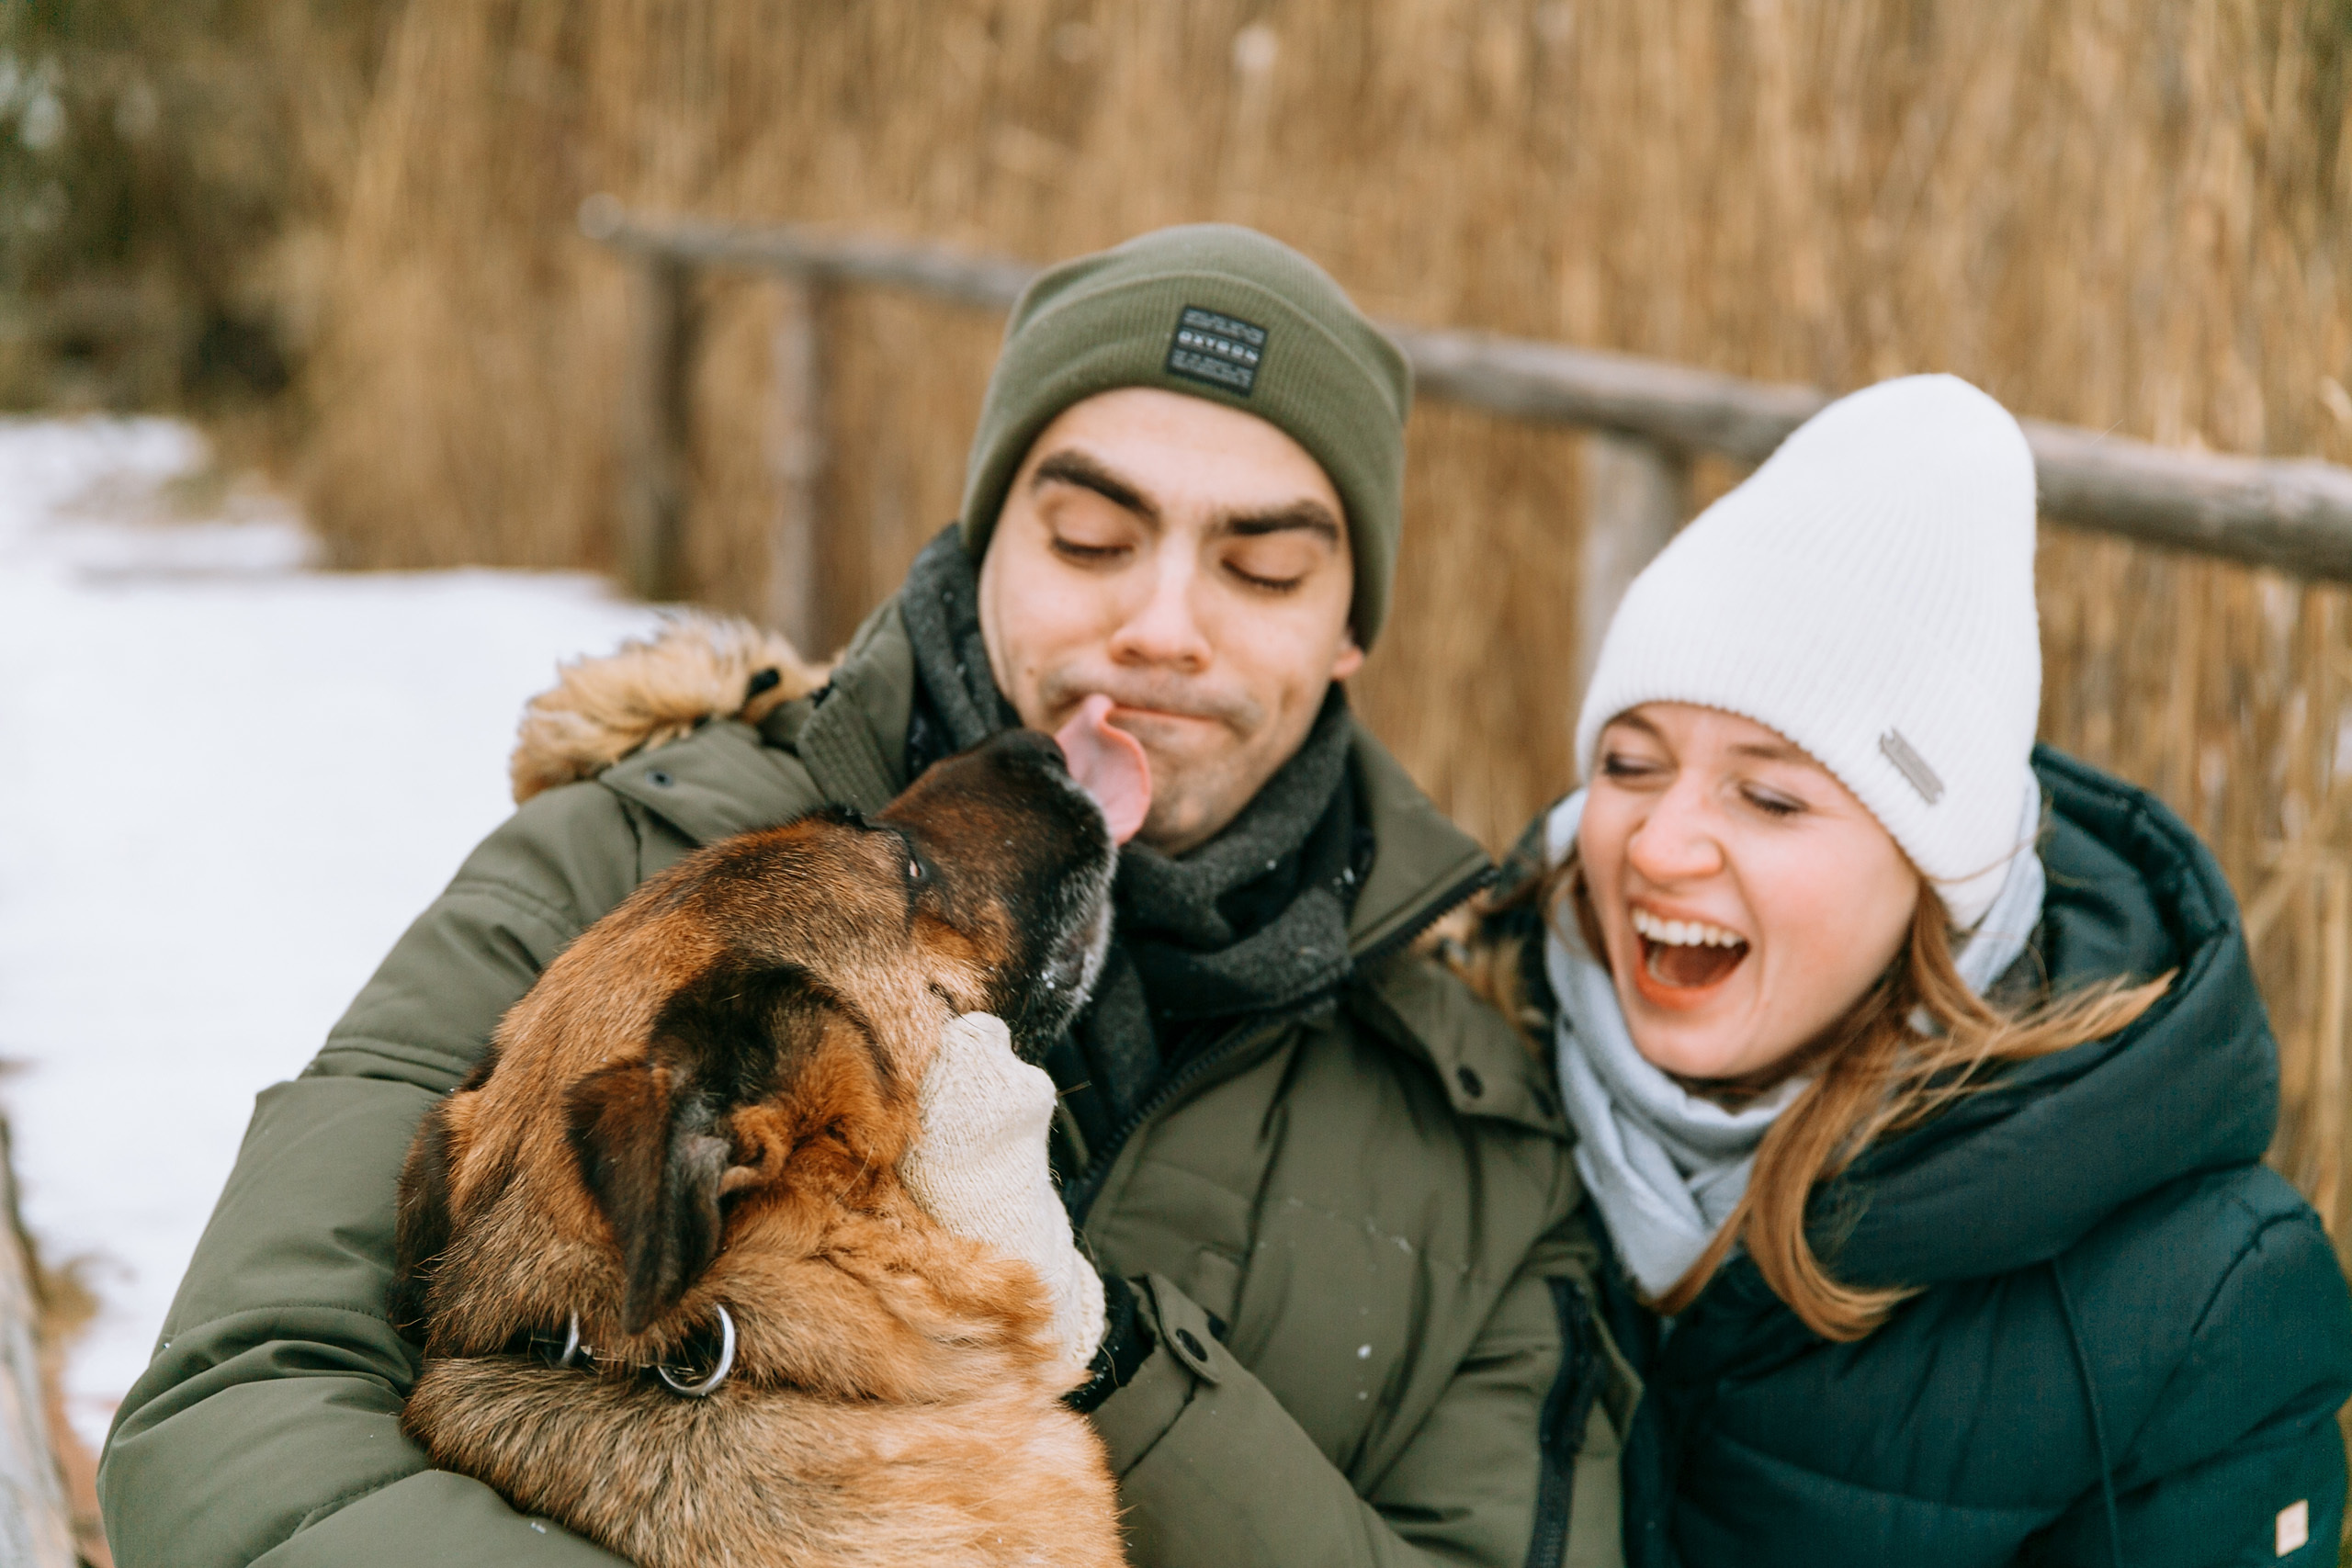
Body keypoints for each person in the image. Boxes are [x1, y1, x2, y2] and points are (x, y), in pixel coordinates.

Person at [98, 226, 1623, 1567]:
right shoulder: (620, 874)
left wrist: (1103, 1356)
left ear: (1354, 627)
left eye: (1266, 569)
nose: (1162, 626)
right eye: (1091, 537)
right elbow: (233, 1429)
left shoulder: (1477, 1116)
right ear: (985, 547)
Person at [1466, 374, 2352, 1566]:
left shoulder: (2191, 1303)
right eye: (1629, 764)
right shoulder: (1462, 1072)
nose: (1660, 845)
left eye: (1771, 795)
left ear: (1937, 873)